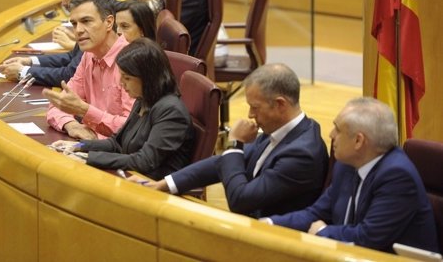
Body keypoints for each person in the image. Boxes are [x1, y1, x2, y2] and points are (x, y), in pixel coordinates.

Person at [139, 63, 328, 218]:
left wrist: (234, 144)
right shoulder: (280, 130)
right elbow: (223, 163)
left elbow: (240, 201)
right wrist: (165, 184)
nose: (250, 115)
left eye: (255, 107)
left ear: (280, 104)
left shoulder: (302, 154)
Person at [265, 97, 439, 254]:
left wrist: (321, 232)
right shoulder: (347, 164)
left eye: (338, 129)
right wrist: (269, 224)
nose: (331, 135)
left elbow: (367, 238)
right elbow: (316, 213)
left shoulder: (397, 176)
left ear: (359, 141)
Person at [51, 38, 195, 179]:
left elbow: (144, 161)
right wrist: (79, 146)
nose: (121, 83)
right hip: (130, 176)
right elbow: (116, 142)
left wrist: (88, 158)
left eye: (127, 78)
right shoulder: (143, 100)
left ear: (147, 77)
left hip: (154, 191)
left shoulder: (171, 112)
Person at [43, 0, 135, 140]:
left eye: (86, 21)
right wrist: (71, 125)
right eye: (74, 23)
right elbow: (59, 105)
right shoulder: (89, 55)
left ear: (109, 22)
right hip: (94, 146)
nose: (78, 30)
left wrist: (85, 110)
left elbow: (133, 129)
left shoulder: (132, 61)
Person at [0, 0, 107, 87]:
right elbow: (72, 57)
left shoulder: (100, 21)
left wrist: (22, 72)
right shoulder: (98, 12)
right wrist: (29, 61)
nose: (64, 3)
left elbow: (70, 75)